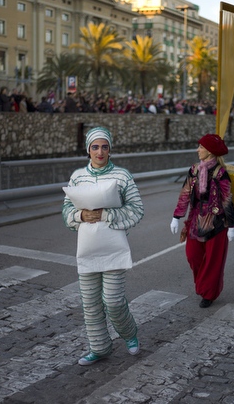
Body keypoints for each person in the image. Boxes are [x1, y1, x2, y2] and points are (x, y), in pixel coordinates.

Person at [62, 127, 144, 366]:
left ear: (110, 149)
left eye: (104, 147)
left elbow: (137, 209)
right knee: (89, 302)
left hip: (114, 248)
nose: (100, 152)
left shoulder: (122, 176)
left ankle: (129, 333)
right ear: (88, 149)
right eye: (95, 147)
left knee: (113, 300)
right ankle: (99, 348)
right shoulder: (77, 176)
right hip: (87, 248)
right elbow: (67, 209)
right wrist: (80, 216)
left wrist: (107, 214)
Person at [170, 134, 234, 308]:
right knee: (193, 256)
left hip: (217, 223)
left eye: (201, 147)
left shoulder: (221, 173)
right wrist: (177, 216)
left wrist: (232, 225)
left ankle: (208, 292)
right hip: (195, 220)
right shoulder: (194, 170)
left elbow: (227, 200)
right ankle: (204, 284)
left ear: (210, 151)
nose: (197, 150)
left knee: (213, 261)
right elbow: (185, 193)